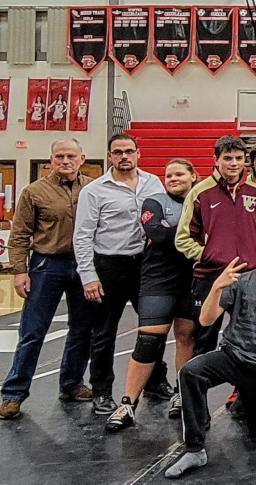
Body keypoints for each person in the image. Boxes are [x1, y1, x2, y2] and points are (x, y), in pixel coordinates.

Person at [164, 233, 256, 479]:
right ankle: (195, 448)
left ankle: (244, 402)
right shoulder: (239, 282)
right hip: (232, 357)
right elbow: (206, 320)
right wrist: (217, 285)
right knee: (190, 372)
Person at [0, 139, 96, 420]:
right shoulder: (34, 191)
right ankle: (13, 394)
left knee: (82, 329)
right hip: (47, 264)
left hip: (84, 265)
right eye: (59, 156)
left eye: (71, 156)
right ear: (50, 160)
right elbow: (18, 235)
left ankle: (72, 383)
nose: (65, 161)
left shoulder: (94, 188)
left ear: (82, 159)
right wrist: (20, 270)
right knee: (32, 332)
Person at [74, 134, 166, 414]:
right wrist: (88, 275)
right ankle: (101, 390)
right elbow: (82, 235)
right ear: (110, 156)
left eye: (129, 151)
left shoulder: (153, 183)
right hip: (109, 266)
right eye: (118, 152)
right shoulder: (94, 190)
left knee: (153, 328)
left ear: (139, 153)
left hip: (146, 265)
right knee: (103, 333)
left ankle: (154, 382)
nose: (124, 156)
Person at [105, 160, 198, 431]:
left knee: (186, 336)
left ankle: (181, 393)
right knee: (148, 340)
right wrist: (192, 232)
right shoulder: (154, 201)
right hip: (159, 279)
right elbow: (156, 233)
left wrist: (176, 229)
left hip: (191, 279)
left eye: (179, 173)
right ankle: (127, 404)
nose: (173, 178)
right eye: (168, 174)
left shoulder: (201, 199)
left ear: (193, 176)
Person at [176, 135, 256, 356]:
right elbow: (183, 237)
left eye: (239, 158)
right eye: (228, 158)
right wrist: (210, 255)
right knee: (204, 339)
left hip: (248, 276)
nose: (234, 163)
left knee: (250, 339)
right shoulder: (200, 193)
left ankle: (243, 391)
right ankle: (197, 391)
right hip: (211, 277)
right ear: (216, 159)